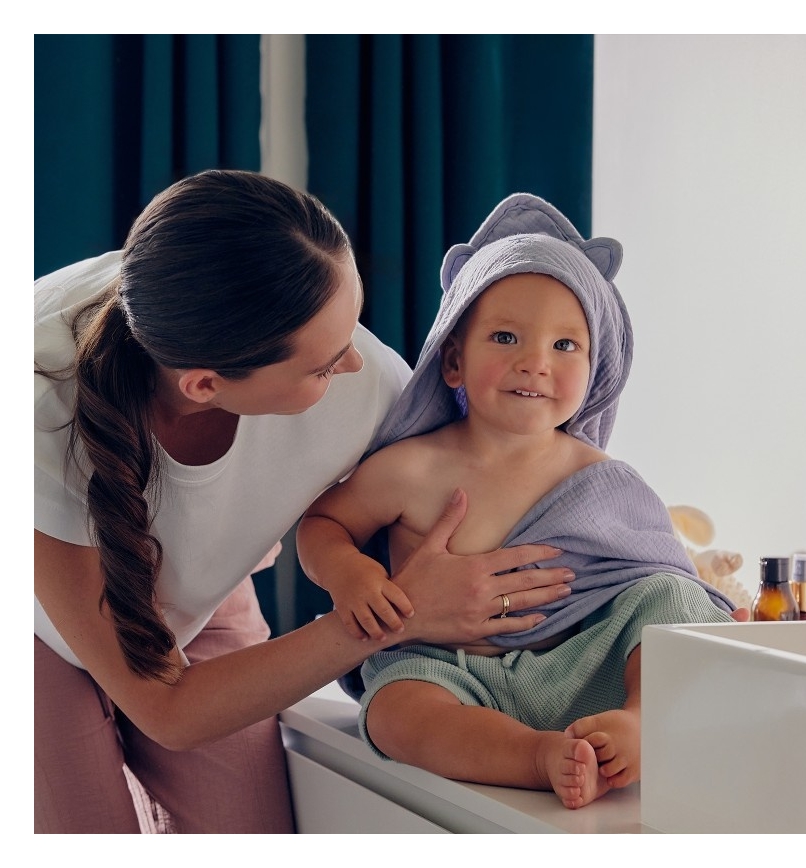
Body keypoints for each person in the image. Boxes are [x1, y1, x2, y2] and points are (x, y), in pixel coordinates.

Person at [34, 172, 575, 833]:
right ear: (206, 384)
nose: (354, 366)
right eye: (322, 366)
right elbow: (169, 711)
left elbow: (486, 483)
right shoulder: (40, 417)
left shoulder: (369, 380)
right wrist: (392, 618)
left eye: (351, 327)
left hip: (198, 583)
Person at [296, 193, 744, 810]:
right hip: (452, 673)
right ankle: (535, 757)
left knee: (670, 598)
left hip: (582, 667)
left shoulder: (603, 478)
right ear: (453, 360)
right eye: (506, 337)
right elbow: (323, 524)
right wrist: (351, 574)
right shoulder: (412, 467)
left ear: (596, 369)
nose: (535, 363)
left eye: (566, 346)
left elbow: (658, 580)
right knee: (395, 714)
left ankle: (641, 721)